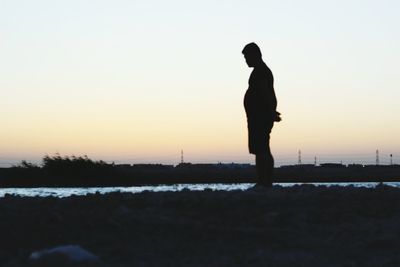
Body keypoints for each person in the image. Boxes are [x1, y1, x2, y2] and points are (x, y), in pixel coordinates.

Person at [242, 42, 281, 187]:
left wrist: (271, 112)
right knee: (260, 149)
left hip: (260, 116)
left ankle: (265, 181)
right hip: (257, 116)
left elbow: (266, 92)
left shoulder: (261, 71)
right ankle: (263, 181)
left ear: (255, 55)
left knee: (262, 149)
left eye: (247, 57)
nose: (246, 60)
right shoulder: (259, 71)